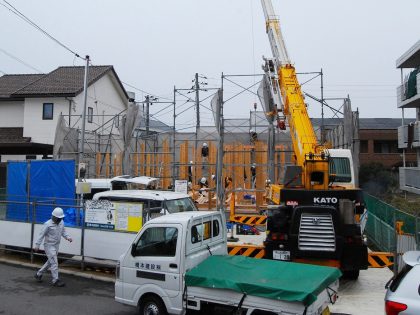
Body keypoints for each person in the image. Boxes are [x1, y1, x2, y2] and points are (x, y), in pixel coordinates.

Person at [34, 207, 73, 287]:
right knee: (54, 263)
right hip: (49, 246)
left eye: (61, 218)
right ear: (54, 217)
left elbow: (63, 231)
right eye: (58, 218)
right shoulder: (47, 224)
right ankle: (55, 280)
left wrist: (67, 237)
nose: (59, 219)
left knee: (50, 262)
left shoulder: (61, 222)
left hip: (56, 245)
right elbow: (41, 235)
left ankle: (38, 274)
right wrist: (37, 245)